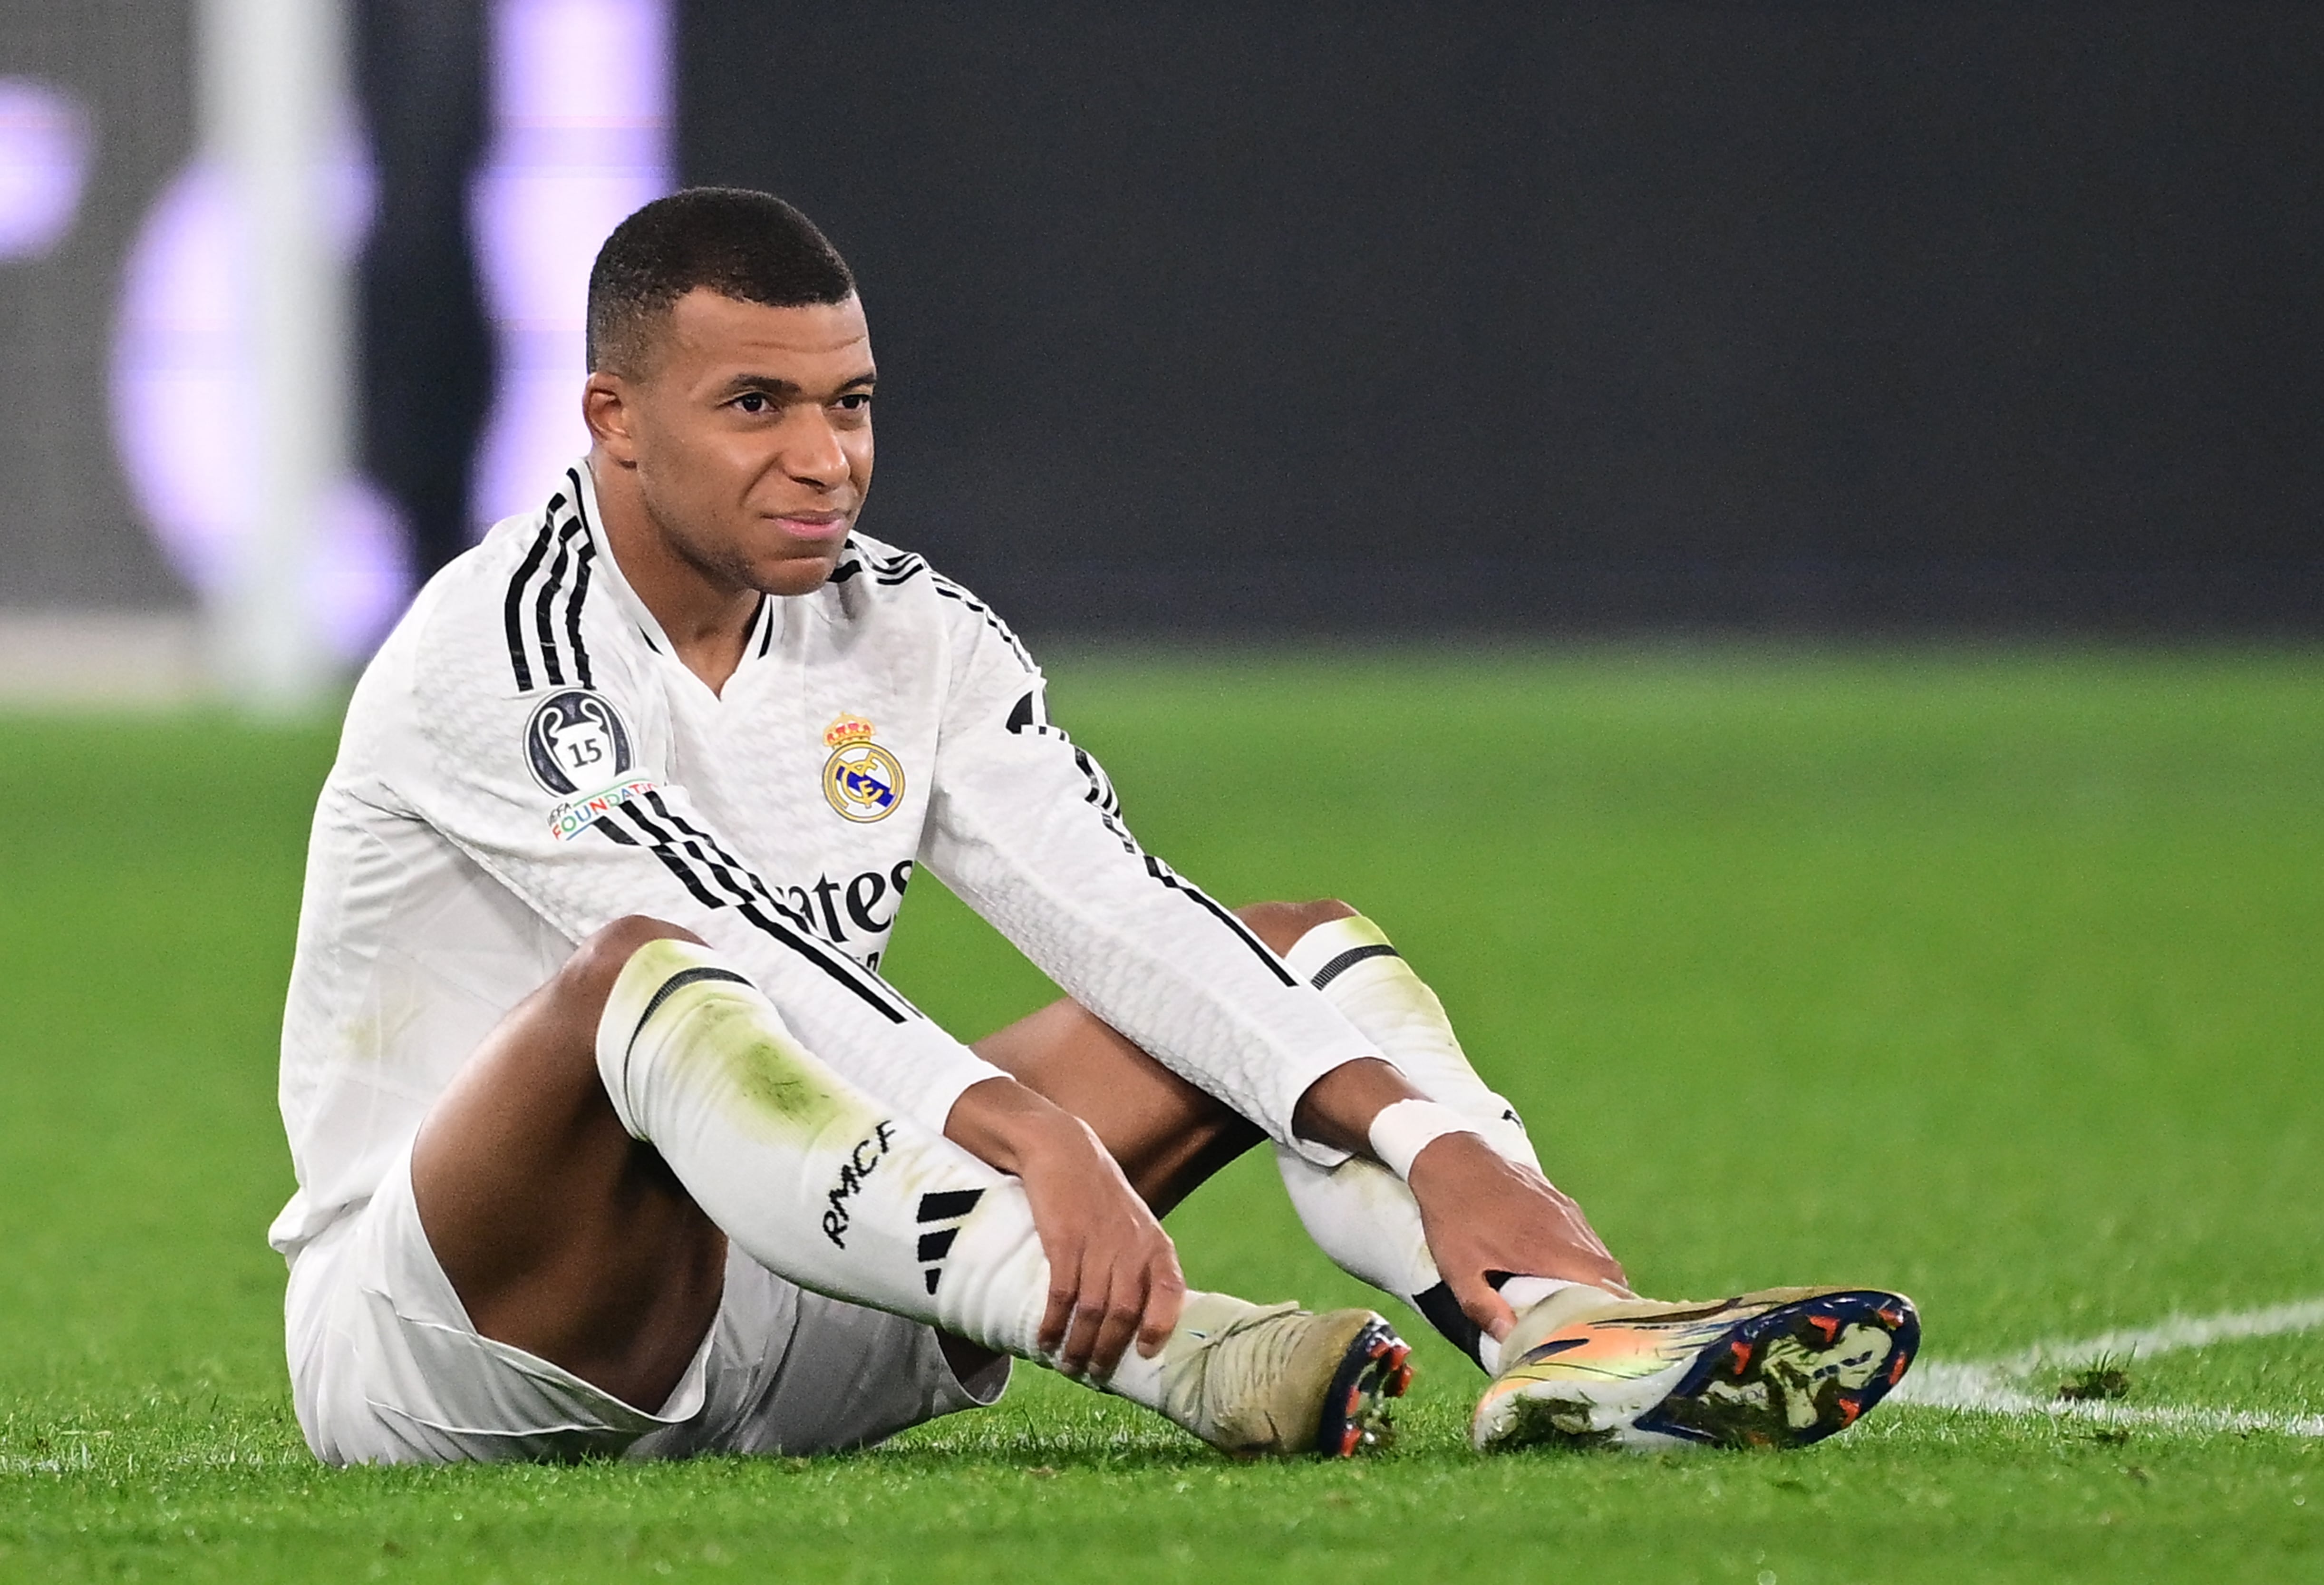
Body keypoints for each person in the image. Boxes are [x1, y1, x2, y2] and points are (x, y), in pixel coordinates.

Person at [271, 187, 1919, 1467]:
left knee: (1286, 956)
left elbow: (1115, 912)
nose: (824, 460)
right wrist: (1021, 1127)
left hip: (835, 1284)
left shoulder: (909, 632)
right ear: (612, 420)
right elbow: (746, 958)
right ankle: (1184, 1355)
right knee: (656, 971)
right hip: (477, 1347)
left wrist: (1438, 1141)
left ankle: (1572, 1338)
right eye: (755, 405)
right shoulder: (500, 651)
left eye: (849, 403)